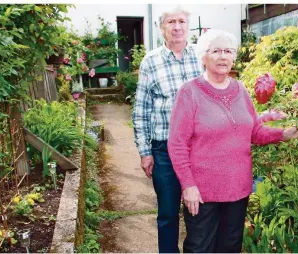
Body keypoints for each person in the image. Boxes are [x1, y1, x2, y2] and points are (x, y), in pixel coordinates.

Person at [167, 29, 298, 253]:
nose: (223, 56)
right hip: (203, 192)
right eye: (216, 51)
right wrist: (188, 186)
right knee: (199, 247)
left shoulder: (240, 90)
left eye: (228, 51)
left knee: (230, 246)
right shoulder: (189, 93)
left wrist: (282, 134)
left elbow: (255, 132)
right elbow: (177, 144)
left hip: (238, 188)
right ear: (203, 56)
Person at [132, 7, 203, 253]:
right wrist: (145, 152)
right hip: (163, 151)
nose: (177, 27)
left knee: (199, 212)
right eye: (171, 22)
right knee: (168, 214)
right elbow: (141, 110)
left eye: (182, 21)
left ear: (188, 25)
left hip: (199, 148)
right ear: (162, 28)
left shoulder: (202, 55)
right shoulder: (151, 61)